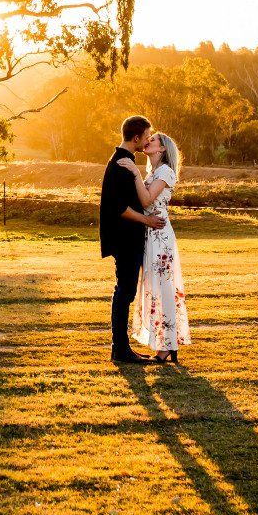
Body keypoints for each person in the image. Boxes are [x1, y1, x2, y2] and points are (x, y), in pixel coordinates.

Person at [99, 115, 165, 365]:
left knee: (124, 291)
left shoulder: (125, 160)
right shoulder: (121, 163)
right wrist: (147, 221)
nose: (148, 139)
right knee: (124, 292)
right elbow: (120, 208)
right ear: (136, 137)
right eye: (146, 135)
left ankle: (122, 347)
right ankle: (120, 348)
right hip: (124, 238)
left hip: (129, 238)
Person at [119, 131, 190, 364]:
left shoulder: (166, 171)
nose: (148, 142)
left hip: (160, 236)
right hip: (150, 234)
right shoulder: (153, 172)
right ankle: (164, 343)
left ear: (162, 149)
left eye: (153, 141)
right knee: (154, 287)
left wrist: (133, 172)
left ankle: (168, 345)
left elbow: (147, 200)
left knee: (164, 287)